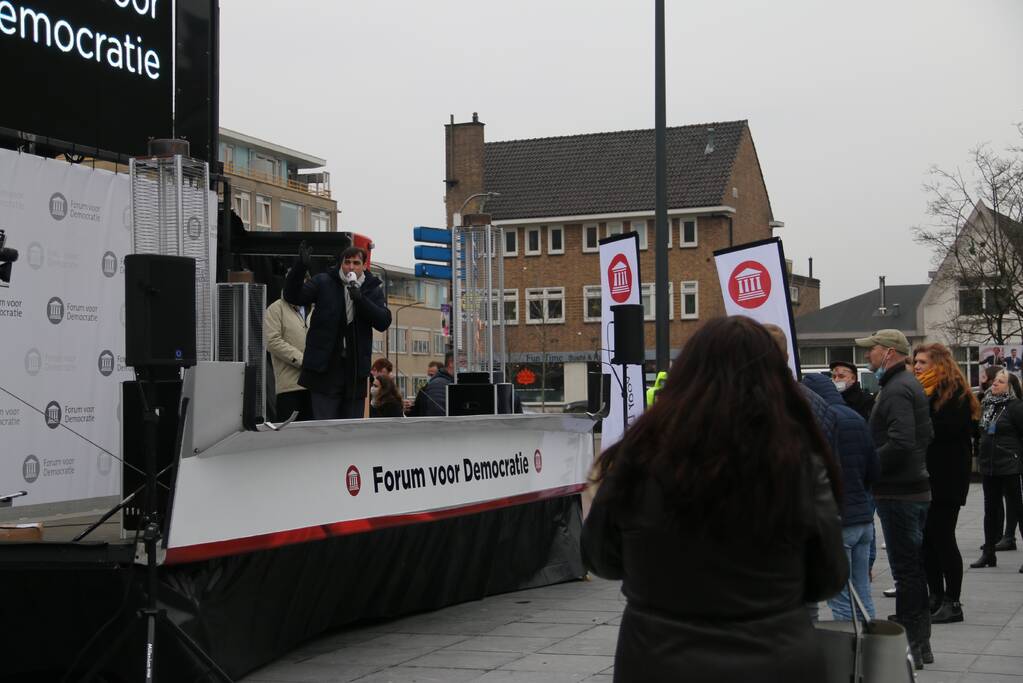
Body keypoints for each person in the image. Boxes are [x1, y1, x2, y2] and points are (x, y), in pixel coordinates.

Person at [582, 317, 847, 683]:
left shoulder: (639, 458)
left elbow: (601, 558)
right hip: (775, 659)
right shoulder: (797, 463)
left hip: (657, 659)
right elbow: (828, 577)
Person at [855, 328, 934, 669]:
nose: (868, 355)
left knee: (907, 571)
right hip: (909, 488)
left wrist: (871, 464)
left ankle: (911, 646)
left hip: (900, 493)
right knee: (913, 568)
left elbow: (902, 440)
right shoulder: (901, 384)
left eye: (871, 350)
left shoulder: (898, 388)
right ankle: (921, 645)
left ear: (888, 352)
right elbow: (924, 434)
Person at [803, 373, 880, 622]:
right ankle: (870, 651)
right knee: (863, 593)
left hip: (840, 521)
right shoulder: (856, 417)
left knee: (842, 597)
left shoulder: (820, 420)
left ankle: (850, 654)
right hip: (863, 520)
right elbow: (873, 469)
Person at [284, 244, 391, 420]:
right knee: (324, 427)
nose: (351, 267)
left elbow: (383, 321)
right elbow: (293, 296)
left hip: (355, 371)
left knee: (350, 429)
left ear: (364, 266)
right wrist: (300, 268)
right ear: (341, 264)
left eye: (356, 263)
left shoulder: (371, 288)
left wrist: (360, 299)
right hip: (326, 369)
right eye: (347, 262)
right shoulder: (324, 281)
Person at [913, 343, 979, 625]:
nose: (916, 366)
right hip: (928, 476)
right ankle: (935, 597)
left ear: (938, 364)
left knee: (943, 538)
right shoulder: (922, 391)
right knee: (927, 541)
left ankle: (953, 601)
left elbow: (944, 432)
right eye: (915, 361)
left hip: (948, 478)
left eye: (923, 362)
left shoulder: (956, 393)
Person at [972, 369, 1023, 573]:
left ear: (1010, 387)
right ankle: (989, 552)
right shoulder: (987, 405)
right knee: (990, 510)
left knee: (1019, 509)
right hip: (989, 465)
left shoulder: (1016, 407)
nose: (995, 384)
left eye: (1000, 382)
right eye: (994, 381)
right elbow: (980, 431)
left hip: (1010, 465)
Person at [263, 291, 312, 422]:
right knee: (290, 433)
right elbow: (272, 341)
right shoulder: (276, 308)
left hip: (316, 387)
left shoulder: (315, 307)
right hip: (290, 386)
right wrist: (303, 361)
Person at [409, 352, 454, 416]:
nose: (429, 377)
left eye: (431, 375)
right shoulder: (426, 389)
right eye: (428, 375)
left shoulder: (444, 384)